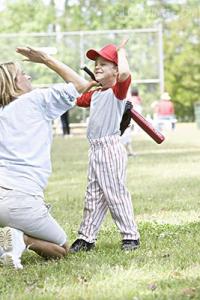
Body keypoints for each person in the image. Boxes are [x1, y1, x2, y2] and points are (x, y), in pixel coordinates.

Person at [0, 47, 95, 269]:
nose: (28, 76)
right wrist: (45, 59)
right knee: (62, 250)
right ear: (14, 83)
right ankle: (21, 239)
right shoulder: (36, 100)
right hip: (20, 201)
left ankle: (11, 239)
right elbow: (81, 86)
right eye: (23, 74)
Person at [70, 40, 140, 253]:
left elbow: (126, 74)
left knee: (114, 193)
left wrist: (121, 52)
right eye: (95, 64)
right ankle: (86, 237)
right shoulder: (96, 94)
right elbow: (76, 95)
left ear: (116, 70)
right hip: (95, 149)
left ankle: (130, 236)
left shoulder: (117, 91)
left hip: (110, 148)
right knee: (93, 194)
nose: (97, 67)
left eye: (104, 63)